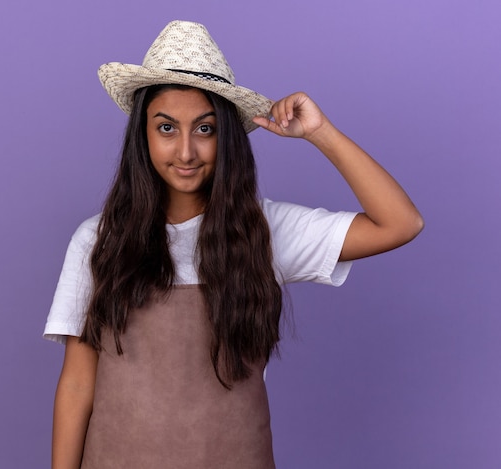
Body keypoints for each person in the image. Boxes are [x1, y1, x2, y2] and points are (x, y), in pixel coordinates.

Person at [43, 20, 423, 469]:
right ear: (141, 137)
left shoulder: (264, 230)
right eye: (166, 128)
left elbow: (400, 223)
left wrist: (320, 132)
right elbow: (76, 386)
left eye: (204, 130)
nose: (186, 152)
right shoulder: (97, 240)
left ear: (227, 136)